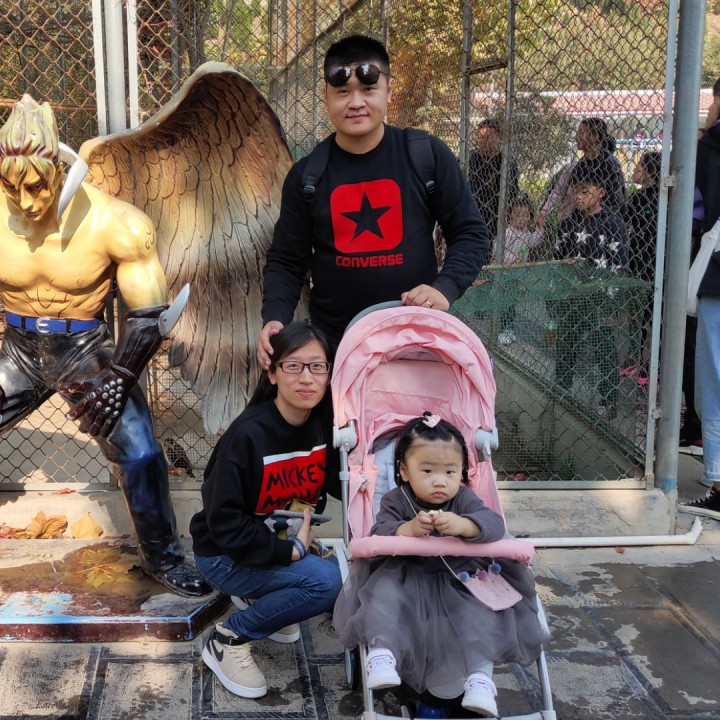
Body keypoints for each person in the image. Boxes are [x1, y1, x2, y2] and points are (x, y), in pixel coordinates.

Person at [0, 95, 208, 597]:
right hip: (16, 348)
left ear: (60, 169)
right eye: (10, 186)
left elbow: (149, 315)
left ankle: (162, 557)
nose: (25, 202)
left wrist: (119, 377)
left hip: (84, 348)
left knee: (140, 452)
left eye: (36, 186)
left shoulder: (114, 222)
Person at [258, 35, 488, 364]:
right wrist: (275, 317)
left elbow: (470, 232)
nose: (356, 102)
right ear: (326, 96)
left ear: (389, 91)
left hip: (415, 341)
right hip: (337, 347)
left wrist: (445, 287)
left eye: (368, 89)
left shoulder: (426, 155)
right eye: (342, 92)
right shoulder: (307, 175)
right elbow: (286, 260)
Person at [333, 413, 548, 718]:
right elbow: (380, 530)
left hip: (460, 576)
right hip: (408, 573)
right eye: (427, 470)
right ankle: (382, 653)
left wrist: (464, 525)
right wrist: (408, 529)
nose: (440, 480)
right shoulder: (396, 499)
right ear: (404, 471)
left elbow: (493, 524)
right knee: (383, 594)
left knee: (479, 614)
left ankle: (480, 679)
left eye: (450, 471)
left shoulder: (463, 498)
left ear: (461, 471)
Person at [190, 321, 343, 698]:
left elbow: (339, 483)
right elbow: (224, 522)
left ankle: (263, 597)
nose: (306, 378)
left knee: (347, 570)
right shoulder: (246, 436)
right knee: (327, 582)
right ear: (272, 373)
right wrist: (289, 552)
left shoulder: (324, 423)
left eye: (317, 366)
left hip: (274, 540)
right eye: (293, 366)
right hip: (225, 554)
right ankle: (229, 637)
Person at [553, 165, 628, 416]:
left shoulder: (613, 224)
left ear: (601, 192)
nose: (578, 197)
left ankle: (608, 400)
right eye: (575, 191)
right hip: (570, 296)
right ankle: (562, 390)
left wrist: (612, 305)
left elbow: (618, 265)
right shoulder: (567, 224)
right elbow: (557, 260)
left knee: (604, 349)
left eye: (585, 191)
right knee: (566, 344)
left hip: (599, 297)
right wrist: (555, 296)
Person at [680, 111, 720, 515]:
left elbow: (692, 214)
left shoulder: (708, 149)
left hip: (717, 276)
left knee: (714, 378)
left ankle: (718, 478)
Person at [538, 117, 626, 231]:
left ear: (594, 137)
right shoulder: (580, 165)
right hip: (579, 223)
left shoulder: (610, 165)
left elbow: (616, 201)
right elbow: (561, 192)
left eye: (581, 133)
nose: (576, 137)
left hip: (602, 225)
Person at [620, 151, 662, 384]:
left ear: (650, 172)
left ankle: (645, 364)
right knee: (646, 313)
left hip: (646, 261)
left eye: (639, 167)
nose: (635, 170)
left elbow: (628, 221)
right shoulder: (649, 196)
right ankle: (641, 361)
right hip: (647, 259)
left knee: (645, 313)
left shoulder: (647, 197)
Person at [467, 118, 520, 251]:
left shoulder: (507, 163)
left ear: (499, 137)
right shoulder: (470, 159)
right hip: (471, 213)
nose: (483, 142)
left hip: (495, 216)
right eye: (480, 138)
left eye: (488, 137)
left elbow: (513, 191)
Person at [498, 195, 542, 346]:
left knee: (512, 303)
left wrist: (539, 228)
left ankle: (508, 328)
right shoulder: (508, 232)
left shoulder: (526, 233)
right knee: (506, 304)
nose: (521, 219)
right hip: (506, 273)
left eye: (525, 215)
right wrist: (511, 260)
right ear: (511, 215)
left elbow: (534, 242)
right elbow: (498, 250)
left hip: (519, 274)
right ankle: (502, 329)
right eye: (518, 215)